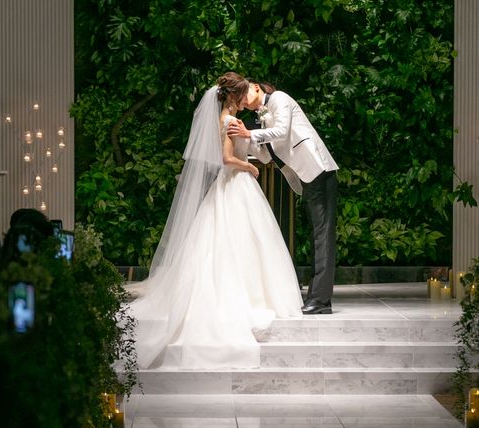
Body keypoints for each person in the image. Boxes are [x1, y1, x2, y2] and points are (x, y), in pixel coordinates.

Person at [129, 72, 302, 370]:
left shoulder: (231, 120)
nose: (246, 100)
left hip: (237, 185)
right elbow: (226, 159)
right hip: (235, 183)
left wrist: (255, 149)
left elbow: (249, 150)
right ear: (234, 96)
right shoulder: (228, 120)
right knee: (236, 240)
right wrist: (248, 167)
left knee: (240, 240)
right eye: (243, 95)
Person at [227, 80, 339, 314]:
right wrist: (241, 139)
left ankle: (321, 301)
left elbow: (281, 131)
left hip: (319, 169)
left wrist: (250, 133)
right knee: (317, 234)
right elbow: (266, 157)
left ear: (255, 87)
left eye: (244, 93)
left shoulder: (279, 99)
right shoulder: (260, 118)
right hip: (306, 176)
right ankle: (318, 297)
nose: (243, 100)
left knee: (323, 234)